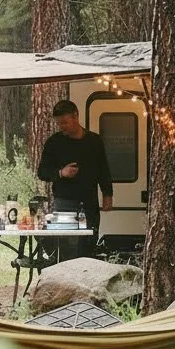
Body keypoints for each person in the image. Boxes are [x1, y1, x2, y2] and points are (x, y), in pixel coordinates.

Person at [37, 100, 113, 256]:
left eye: (65, 122)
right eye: (59, 123)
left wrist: (107, 194)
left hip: (89, 202)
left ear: (76, 116)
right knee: (66, 247)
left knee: (89, 244)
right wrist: (61, 173)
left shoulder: (94, 141)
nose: (62, 127)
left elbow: (103, 169)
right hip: (64, 203)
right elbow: (42, 172)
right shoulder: (54, 143)